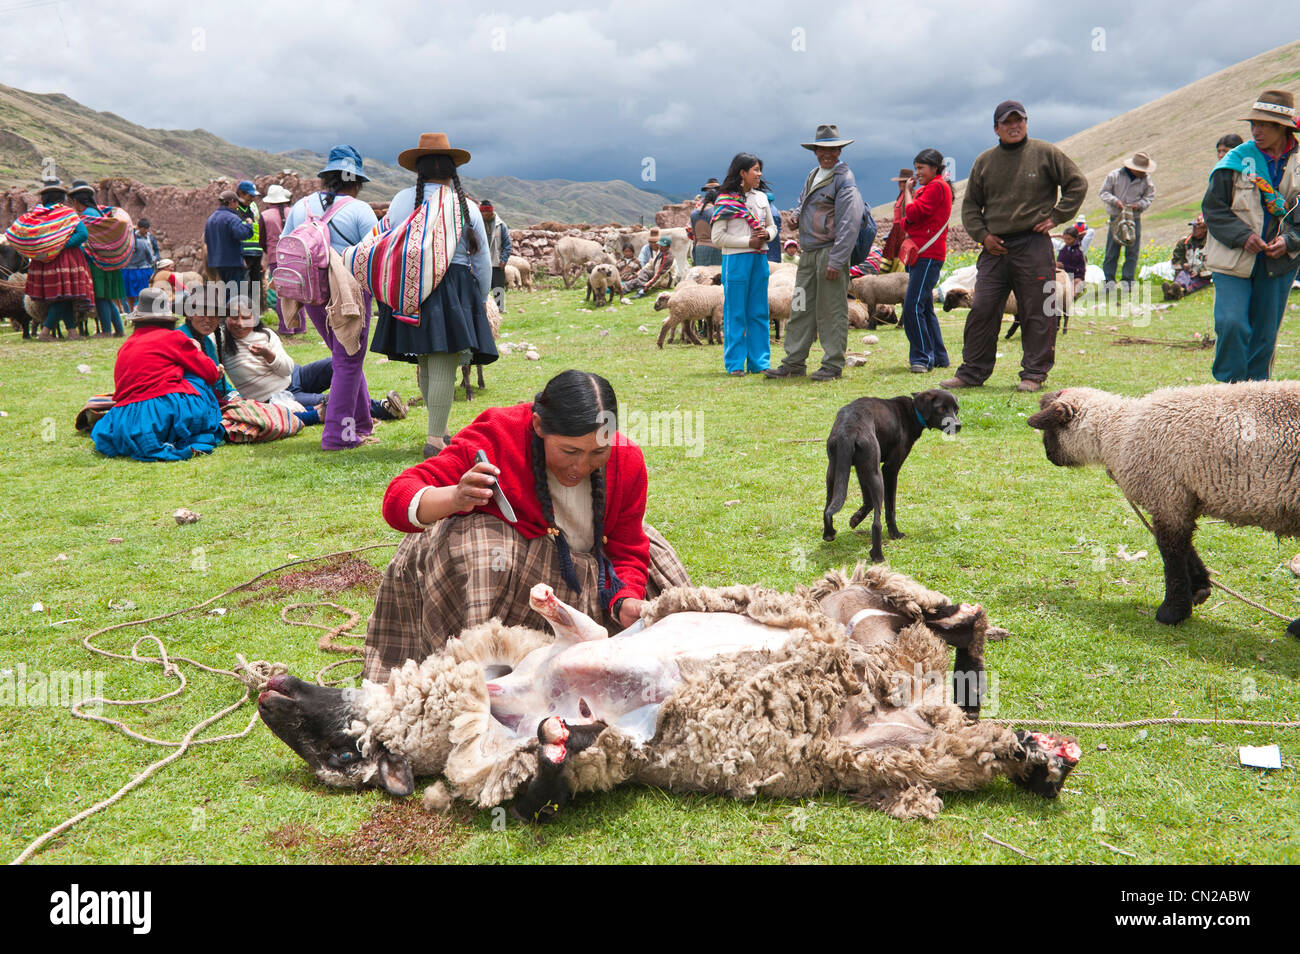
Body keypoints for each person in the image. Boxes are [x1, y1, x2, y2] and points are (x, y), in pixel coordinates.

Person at [363, 369, 691, 683]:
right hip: (511, 581)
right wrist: (456, 497)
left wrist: (626, 598)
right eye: (570, 451)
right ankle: (475, 667)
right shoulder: (498, 435)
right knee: (479, 543)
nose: (580, 467)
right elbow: (398, 498)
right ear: (538, 425)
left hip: (591, 580)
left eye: (597, 453)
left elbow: (627, 548)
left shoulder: (626, 460)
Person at [941, 100, 1087, 394]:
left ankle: (1034, 374)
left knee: (1037, 309)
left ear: (1026, 123)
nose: (1014, 126)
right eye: (1007, 122)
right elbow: (970, 205)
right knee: (982, 308)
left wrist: (1057, 216)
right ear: (996, 128)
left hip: (1033, 244)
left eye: (1019, 120)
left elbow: (1077, 183)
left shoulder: (1045, 153)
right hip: (995, 248)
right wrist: (983, 236)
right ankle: (972, 372)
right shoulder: (984, 161)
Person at [368, 132, 497, 457]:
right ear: (452, 169)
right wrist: (479, 297)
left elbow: (387, 241)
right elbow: (480, 258)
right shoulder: (465, 205)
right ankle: (435, 438)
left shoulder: (400, 201)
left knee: (427, 358)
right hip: (452, 287)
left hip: (411, 285)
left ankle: (438, 429)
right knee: (443, 361)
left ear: (419, 170)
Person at [282, 145, 391, 450]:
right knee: (349, 360)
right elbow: (374, 255)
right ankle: (338, 436)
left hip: (313, 294)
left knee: (346, 359)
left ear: (327, 177)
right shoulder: (359, 210)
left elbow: (283, 246)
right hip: (347, 296)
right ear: (355, 182)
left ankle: (361, 423)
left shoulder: (302, 206)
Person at [1202, 88, 1300, 383]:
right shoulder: (1235, 161)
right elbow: (1214, 209)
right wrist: (1244, 236)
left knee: (1264, 335)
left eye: (1265, 124)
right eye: (1253, 124)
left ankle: (1256, 397)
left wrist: (1289, 240)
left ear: (1282, 127)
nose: (1256, 130)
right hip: (1234, 258)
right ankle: (1228, 391)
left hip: (1279, 262)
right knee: (1231, 323)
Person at [765, 124, 864, 382]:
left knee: (832, 309)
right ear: (815, 151)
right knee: (799, 305)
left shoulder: (845, 180)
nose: (827, 154)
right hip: (808, 252)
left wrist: (838, 258)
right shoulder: (814, 175)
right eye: (822, 149)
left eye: (832, 149)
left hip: (830, 253)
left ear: (840, 150)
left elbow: (849, 222)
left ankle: (832, 364)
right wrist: (797, 217)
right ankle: (794, 361)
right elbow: (802, 202)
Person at [218, 297, 404, 427]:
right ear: (225, 319)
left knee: (339, 363)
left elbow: (286, 369)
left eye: (246, 317)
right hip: (277, 396)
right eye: (234, 318)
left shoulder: (265, 335)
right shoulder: (222, 342)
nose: (240, 323)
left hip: (296, 376)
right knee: (330, 402)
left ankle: (373, 404)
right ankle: (383, 408)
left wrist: (269, 355)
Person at [90, 289, 225, 461]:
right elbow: (209, 373)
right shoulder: (174, 337)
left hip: (127, 417)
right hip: (163, 410)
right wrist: (200, 354)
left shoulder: (127, 345)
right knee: (196, 379)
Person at [710, 153, 775, 376]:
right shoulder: (725, 199)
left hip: (759, 258)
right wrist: (748, 241)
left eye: (760, 169)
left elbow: (773, 227)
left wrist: (767, 234)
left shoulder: (762, 198)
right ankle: (735, 364)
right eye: (755, 170)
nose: (759, 174)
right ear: (742, 173)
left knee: (759, 311)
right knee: (735, 311)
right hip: (736, 260)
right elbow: (717, 238)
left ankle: (760, 362)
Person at [898, 148, 952, 373]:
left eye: (921, 168)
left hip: (927, 255)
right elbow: (905, 223)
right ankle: (939, 356)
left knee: (912, 306)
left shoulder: (936, 187)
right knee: (925, 307)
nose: (917, 172)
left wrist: (909, 193)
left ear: (934, 168)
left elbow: (911, 215)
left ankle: (921, 357)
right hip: (921, 253)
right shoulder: (931, 188)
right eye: (916, 168)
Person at [22, 180, 92, 341]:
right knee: (62, 297)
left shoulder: (36, 215)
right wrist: (60, 245)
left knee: (63, 296)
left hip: (43, 262)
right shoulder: (67, 213)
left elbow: (30, 236)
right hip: (64, 261)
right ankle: (45, 332)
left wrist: (47, 247)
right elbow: (82, 234)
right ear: (61, 197)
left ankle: (72, 331)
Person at [67, 180, 125, 337]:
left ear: (77, 201)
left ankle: (106, 331)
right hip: (107, 261)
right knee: (107, 298)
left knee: (100, 297)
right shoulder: (98, 212)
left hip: (96, 262)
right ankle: (119, 330)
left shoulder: (87, 216)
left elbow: (87, 242)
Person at [1099, 152, 1156, 290]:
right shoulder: (1115, 175)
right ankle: (1108, 282)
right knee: (1112, 251)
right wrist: (1116, 201)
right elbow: (1104, 192)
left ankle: (1128, 282)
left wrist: (1139, 205)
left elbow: (1149, 197)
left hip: (1134, 218)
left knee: (1132, 252)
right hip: (1116, 217)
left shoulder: (1146, 181)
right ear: (1133, 168)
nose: (1143, 173)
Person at [204, 190, 253, 303]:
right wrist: (249, 225)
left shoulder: (211, 219)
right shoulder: (231, 218)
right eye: (237, 203)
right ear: (232, 202)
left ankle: (224, 318)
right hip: (232, 262)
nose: (237, 206)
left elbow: (207, 240)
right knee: (235, 295)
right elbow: (242, 234)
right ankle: (231, 318)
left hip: (217, 263)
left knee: (226, 292)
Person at [260, 184, 295, 335]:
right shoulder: (293, 212)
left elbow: (261, 239)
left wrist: (268, 253)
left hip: (276, 257)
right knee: (297, 291)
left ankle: (286, 327)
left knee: (281, 292)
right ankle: (300, 326)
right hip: (296, 256)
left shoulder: (265, 215)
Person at [1162, 214, 1212, 301]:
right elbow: (1176, 259)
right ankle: (1175, 289)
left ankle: (1176, 292)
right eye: (1193, 227)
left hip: (1203, 276)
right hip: (1186, 272)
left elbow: (1213, 262)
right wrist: (1183, 264)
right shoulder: (1184, 242)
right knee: (1182, 275)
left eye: (1197, 227)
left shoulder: (1211, 244)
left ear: (1205, 229)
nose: (1194, 229)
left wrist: (1197, 270)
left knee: (1194, 282)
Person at [235, 180, 265, 310]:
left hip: (256, 252)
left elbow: (257, 231)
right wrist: (239, 256)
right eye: (250, 195)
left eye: (254, 196)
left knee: (255, 285)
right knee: (243, 285)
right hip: (244, 253)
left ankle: (255, 316)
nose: (252, 198)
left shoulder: (253, 207)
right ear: (241, 193)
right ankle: (243, 313)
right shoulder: (235, 209)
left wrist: (262, 255)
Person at [480, 200, 512, 311]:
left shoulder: (500, 225)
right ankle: (482, 308)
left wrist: (504, 259)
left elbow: (507, 244)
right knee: (482, 286)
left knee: (498, 285)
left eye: (486, 213)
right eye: (482, 213)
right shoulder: (478, 223)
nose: (484, 215)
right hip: (482, 262)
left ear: (490, 212)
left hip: (496, 261)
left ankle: (500, 308)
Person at [122, 218, 159, 311]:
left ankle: (130, 312)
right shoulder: (144, 242)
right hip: (142, 271)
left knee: (129, 295)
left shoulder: (124, 244)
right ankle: (143, 311)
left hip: (127, 272)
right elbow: (151, 258)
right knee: (143, 294)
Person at [689, 187, 721, 267]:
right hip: (715, 249)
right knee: (715, 276)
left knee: (701, 276)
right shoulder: (715, 211)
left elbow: (694, 235)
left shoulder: (694, 213)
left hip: (699, 249)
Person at [1056, 225, 1087, 297]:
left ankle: (1071, 297)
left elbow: (1080, 270)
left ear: (1075, 238)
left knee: (1077, 283)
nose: (1066, 241)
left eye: (1069, 239)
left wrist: (1065, 267)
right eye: (1065, 239)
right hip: (1063, 275)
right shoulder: (1062, 249)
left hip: (1076, 276)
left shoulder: (1079, 251)